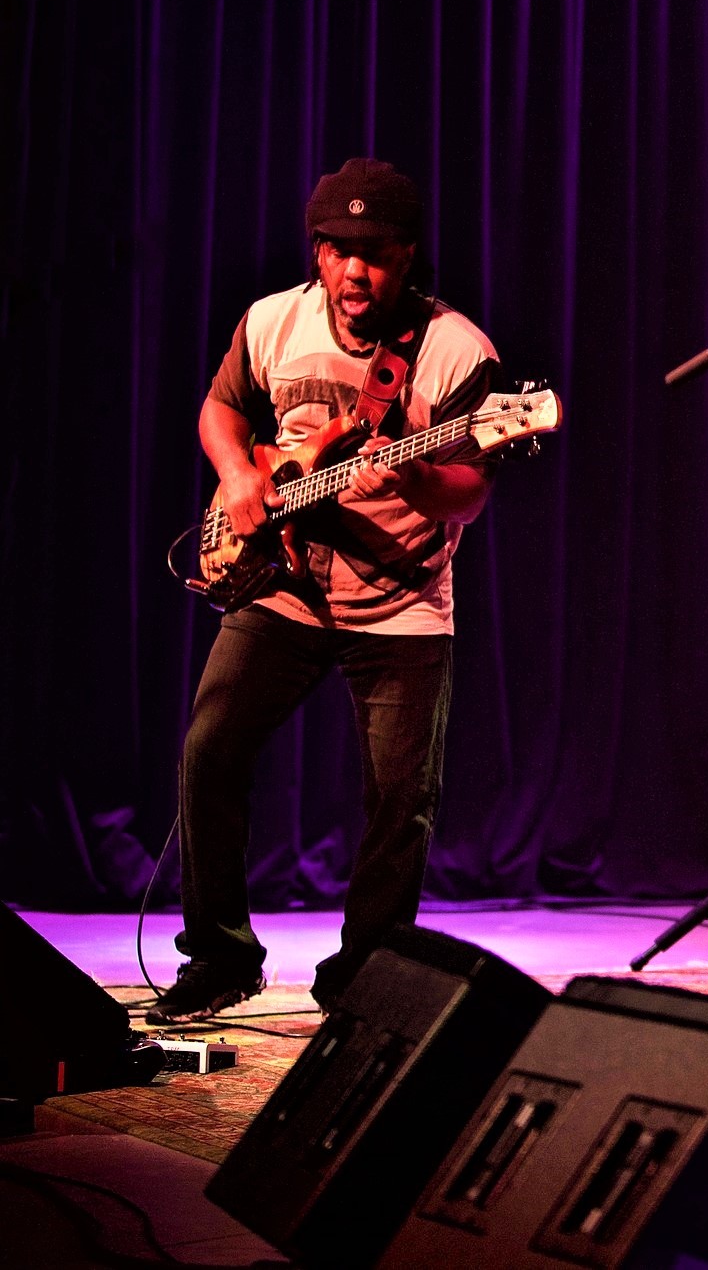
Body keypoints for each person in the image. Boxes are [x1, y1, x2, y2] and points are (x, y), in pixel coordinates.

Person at [148, 158, 503, 1024]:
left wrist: (412, 466)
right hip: (285, 584)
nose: (354, 272)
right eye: (339, 251)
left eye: (374, 253)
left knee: (399, 801)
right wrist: (238, 475)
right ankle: (221, 956)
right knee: (210, 746)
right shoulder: (273, 320)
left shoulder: (460, 351)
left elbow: (471, 490)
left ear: (407, 254)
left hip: (402, 599)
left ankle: (367, 977)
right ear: (317, 252)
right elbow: (220, 411)